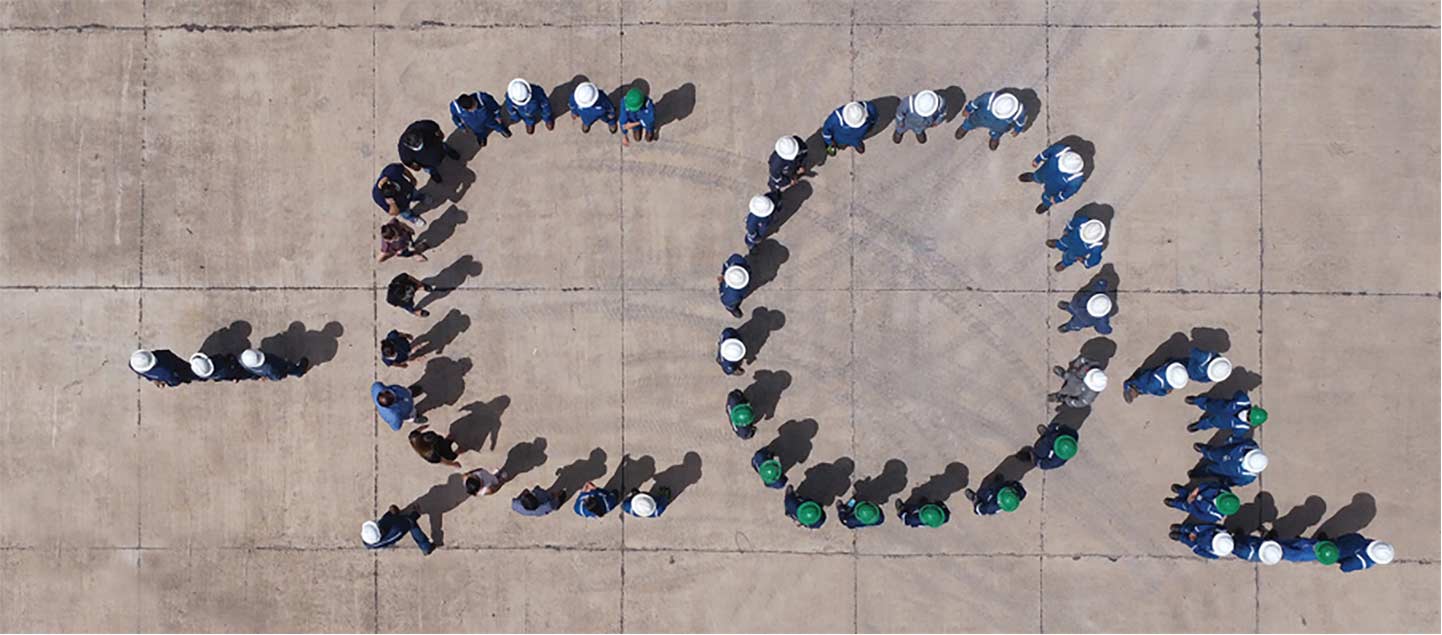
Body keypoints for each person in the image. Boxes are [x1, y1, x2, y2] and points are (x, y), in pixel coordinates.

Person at [1019, 142, 1087, 214]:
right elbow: (1046, 152)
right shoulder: (1059, 149)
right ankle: (1033, 177)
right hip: (1044, 172)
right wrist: (1037, 160)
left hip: (1053, 187)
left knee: (1048, 196)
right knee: (1038, 176)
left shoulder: (1076, 180)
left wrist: (1057, 199)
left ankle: (1046, 204)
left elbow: (1068, 193)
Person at [957, 90, 1028, 151]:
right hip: (980, 117)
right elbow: (975, 102)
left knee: (997, 131)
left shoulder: (1019, 112)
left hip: (999, 126)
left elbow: (1020, 123)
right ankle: (965, 127)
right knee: (971, 121)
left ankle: (995, 137)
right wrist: (968, 109)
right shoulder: (987, 98)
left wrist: (1017, 130)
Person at [398, 119, 457, 184]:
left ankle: (449, 152)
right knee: (430, 169)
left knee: (445, 147)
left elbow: (436, 129)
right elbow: (410, 164)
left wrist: (440, 137)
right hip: (427, 164)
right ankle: (434, 174)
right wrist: (417, 167)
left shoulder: (423, 126)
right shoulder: (403, 152)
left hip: (439, 147)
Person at [1185, 390, 1266, 436]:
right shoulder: (1243, 401)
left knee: (1209, 423)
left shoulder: (1243, 428)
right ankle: (1197, 401)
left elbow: (1235, 434)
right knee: (1207, 403)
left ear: (1250, 422)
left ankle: (1198, 425)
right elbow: (1238, 393)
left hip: (1220, 422)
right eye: (1249, 412)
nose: (1245, 415)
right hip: (1217, 405)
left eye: (1248, 417)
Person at [1190, 439, 1267, 487]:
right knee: (1212, 452)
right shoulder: (1250, 445)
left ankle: (1198, 473)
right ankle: (1204, 450)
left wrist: (1226, 482)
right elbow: (1238, 440)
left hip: (1222, 470)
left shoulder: (1248, 477)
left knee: (1210, 470)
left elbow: (1235, 481)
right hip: (1222, 453)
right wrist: (1230, 441)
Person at [361, 505, 433, 555]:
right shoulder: (396, 531)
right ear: (381, 532)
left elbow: (383, 520)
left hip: (388, 526)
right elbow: (408, 522)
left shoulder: (367, 538)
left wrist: (390, 513)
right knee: (411, 524)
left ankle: (395, 515)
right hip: (399, 527)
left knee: (390, 518)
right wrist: (416, 514)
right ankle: (426, 547)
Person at [372, 162, 428, 227]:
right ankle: (413, 219)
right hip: (402, 207)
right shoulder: (377, 196)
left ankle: (421, 197)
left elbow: (403, 170)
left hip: (409, 190)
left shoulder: (392, 171)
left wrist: (412, 178)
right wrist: (392, 203)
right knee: (407, 214)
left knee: (416, 195)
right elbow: (394, 212)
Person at [1164, 482, 1240, 522]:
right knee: (1187, 493)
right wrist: (1196, 490)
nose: (1216, 498)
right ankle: (1181, 491)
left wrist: (1190, 504)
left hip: (1193, 506)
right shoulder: (1224, 491)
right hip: (1196, 494)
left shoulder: (1215, 516)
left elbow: (1198, 514)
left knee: (1183, 505)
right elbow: (1209, 484)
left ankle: (1174, 503)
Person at [1122, 360, 1188, 403]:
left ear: (1131, 390)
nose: (1135, 397)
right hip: (1152, 373)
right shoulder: (1129, 384)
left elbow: (1157, 392)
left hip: (1154, 377)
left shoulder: (1147, 387)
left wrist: (1165, 393)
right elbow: (1125, 384)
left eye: (1133, 396)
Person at [129, 349, 195, 387]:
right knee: (189, 372)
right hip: (177, 367)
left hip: (176, 370)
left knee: (189, 374)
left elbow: (174, 382)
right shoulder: (163, 357)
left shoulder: (165, 372)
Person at [1168, 522, 1234, 559]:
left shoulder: (1214, 554)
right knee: (1189, 529)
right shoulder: (1217, 530)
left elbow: (1201, 553)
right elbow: (1207, 526)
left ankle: (1180, 537)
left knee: (1186, 540)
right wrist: (1195, 532)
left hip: (1196, 543)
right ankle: (1183, 528)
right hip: (1199, 533)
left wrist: (1194, 546)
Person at [239, 348, 308, 380]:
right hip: (280, 367)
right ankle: (298, 372)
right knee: (288, 367)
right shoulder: (269, 368)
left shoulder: (246, 364)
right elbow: (276, 376)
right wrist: (283, 374)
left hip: (267, 372)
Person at [718, 253, 751, 318]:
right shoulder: (730, 297)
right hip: (741, 293)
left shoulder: (736, 259)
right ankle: (733, 310)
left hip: (746, 284)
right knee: (732, 306)